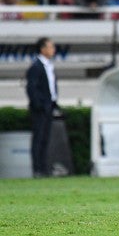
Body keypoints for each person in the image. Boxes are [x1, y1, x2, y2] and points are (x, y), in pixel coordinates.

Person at [26, 38, 60, 178]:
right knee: (38, 138)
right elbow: (32, 88)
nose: (53, 50)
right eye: (51, 47)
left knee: (45, 138)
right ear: (42, 49)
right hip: (40, 109)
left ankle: (44, 168)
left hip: (49, 106)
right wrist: (39, 104)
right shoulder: (36, 67)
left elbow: (51, 87)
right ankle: (37, 169)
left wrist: (54, 103)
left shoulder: (49, 66)